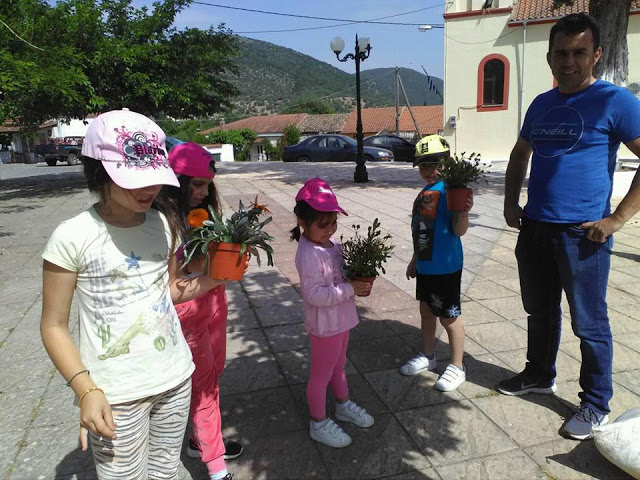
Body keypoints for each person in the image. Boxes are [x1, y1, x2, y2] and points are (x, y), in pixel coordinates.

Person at [40, 109, 228, 479]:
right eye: (133, 178)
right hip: (116, 393)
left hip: (175, 377)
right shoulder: (72, 236)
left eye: (154, 178)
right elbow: (53, 326)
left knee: (165, 469)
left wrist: (216, 278)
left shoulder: (163, 224)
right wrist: (85, 389)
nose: (149, 189)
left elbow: (169, 290)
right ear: (98, 171)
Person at [497, 13, 640, 440]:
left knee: (589, 323)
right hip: (536, 227)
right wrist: (509, 201)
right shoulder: (541, 103)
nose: (569, 61)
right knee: (539, 310)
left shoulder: (615, 101)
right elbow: (520, 153)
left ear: (596, 54)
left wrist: (617, 219)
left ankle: (595, 403)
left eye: (579, 52)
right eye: (561, 52)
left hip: (583, 233)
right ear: (549, 57)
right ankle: (540, 372)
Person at [155, 141, 242, 480]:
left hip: (214, 303)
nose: (204, 192)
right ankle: (216, 466)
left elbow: (210, 260)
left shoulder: (206, 215)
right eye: (197, 184)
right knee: (205, 385)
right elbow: (170, 282)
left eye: (208, 184)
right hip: (187, 310)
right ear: (176, 181)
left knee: (214, 371)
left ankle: (198, 440)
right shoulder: (163, 223)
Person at [291, 177, 375, 448]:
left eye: (333, 223)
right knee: (320, 375)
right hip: (325, 325)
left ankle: (342, 405)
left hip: (341, 319)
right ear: (303, 222)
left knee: (339, 366)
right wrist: (351, 289)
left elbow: (340, 273)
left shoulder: (330, 244)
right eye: (323, 225)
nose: (330, 229)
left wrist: (358, 271)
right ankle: (318, 422)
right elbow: (313, 295)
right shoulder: (308, 254)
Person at [399, 135, 473, 392]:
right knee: (427, 311)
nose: (429, 171)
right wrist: (414, 260)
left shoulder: (451, 191)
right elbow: (421, 230)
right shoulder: (424, 194)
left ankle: (457, 365)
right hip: (426, 266)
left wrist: (463, 212)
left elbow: (459, 229)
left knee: (449, 317)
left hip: (446, 266)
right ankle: (428, 355)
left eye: (434, 164)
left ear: (448, 161)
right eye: (423, 166)